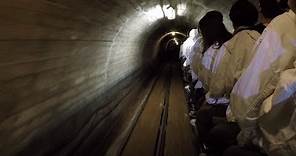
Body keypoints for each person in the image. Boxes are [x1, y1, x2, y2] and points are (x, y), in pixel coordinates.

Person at [225, 0, 296, 155]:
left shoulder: (282, 27)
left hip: (277, 142)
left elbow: (226, 87)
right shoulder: (262, 33)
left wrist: (247, 131)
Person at [191, 10, 233, 152]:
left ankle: (206, 148)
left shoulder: (211, 52)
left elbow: (209, 84)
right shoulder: (233, 43)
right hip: (233, 100)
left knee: (202, 113)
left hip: (223, 102)